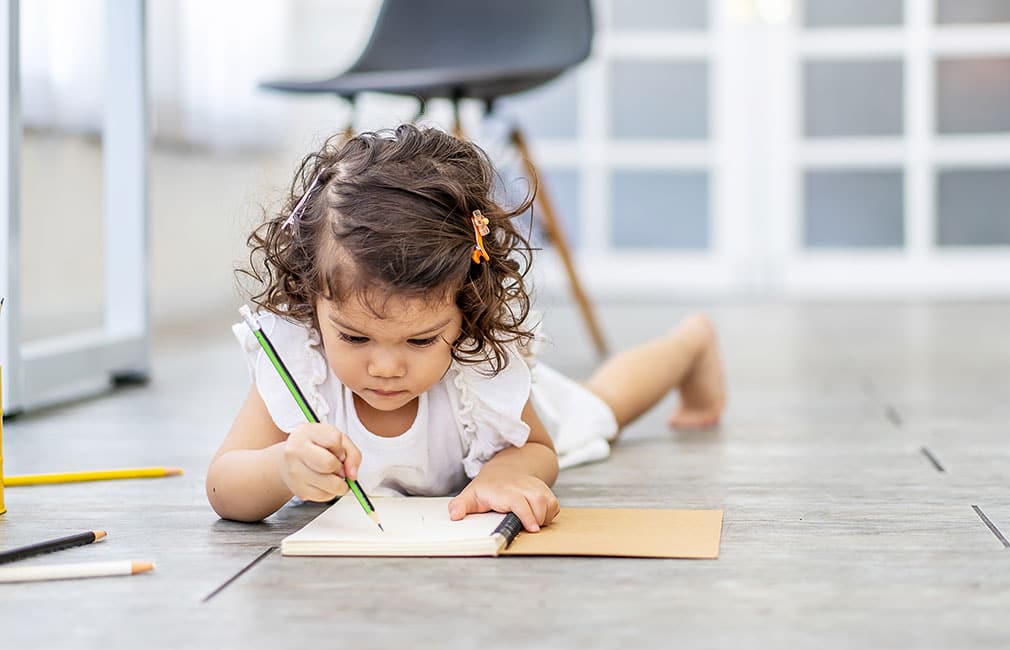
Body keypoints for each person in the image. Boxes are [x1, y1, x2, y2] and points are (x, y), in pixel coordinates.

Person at [206, 125, 725, 531]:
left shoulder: (478, 363)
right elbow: (224, 487)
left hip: (498, 431)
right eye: (355, 336)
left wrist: (504, 475)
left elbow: (538, 449)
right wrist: (279, 469)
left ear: (465, 310)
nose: (385, 366)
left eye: (421, 339)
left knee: (600, 407)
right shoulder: (302, 365)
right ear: (309, 296)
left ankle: (690, 344)